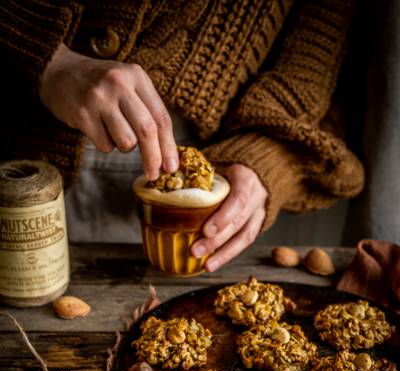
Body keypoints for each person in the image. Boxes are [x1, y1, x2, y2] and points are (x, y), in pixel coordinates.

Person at [0, 0, 364, 271]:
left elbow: (318, 41)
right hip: (19, 127)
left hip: (217, 157)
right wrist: (44, 56)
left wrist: (268, 154)